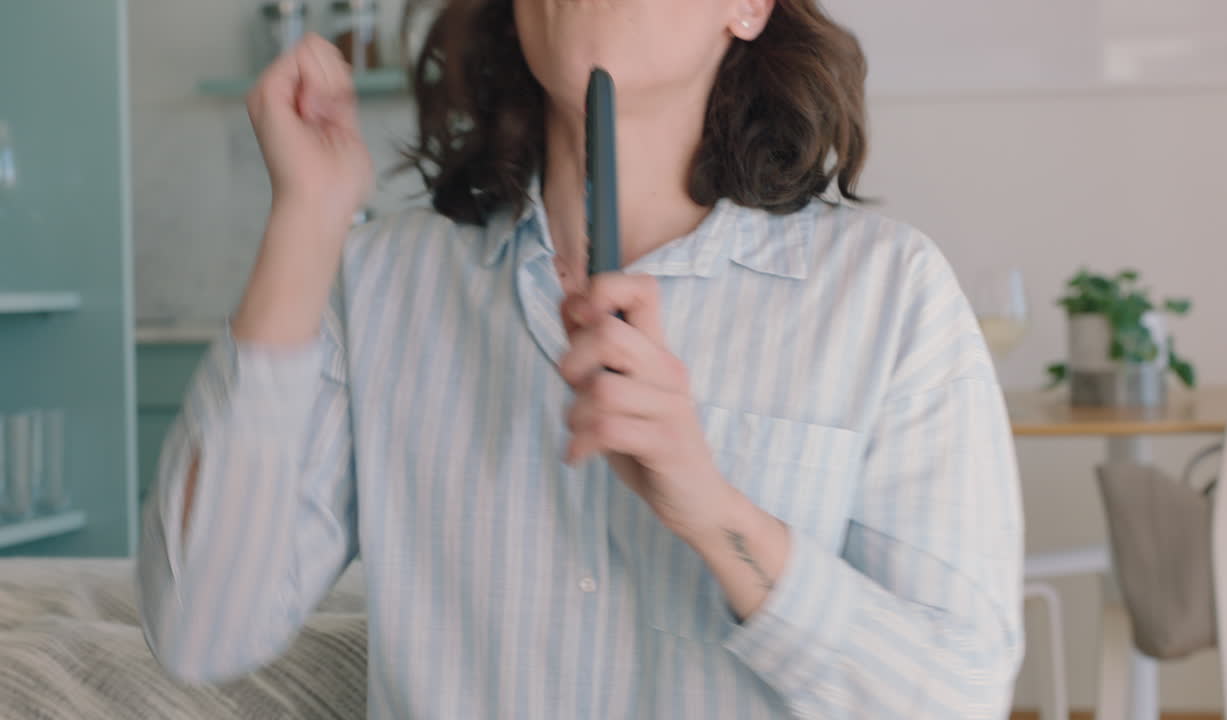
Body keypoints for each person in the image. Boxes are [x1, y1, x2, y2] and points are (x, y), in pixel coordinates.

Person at [138, 0, 1024, 717]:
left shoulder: (887, 294)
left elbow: (957, 693)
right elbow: (202, 627)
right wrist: (306, 219)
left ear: (750, 9)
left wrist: (711, 511)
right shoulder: (377, 284)